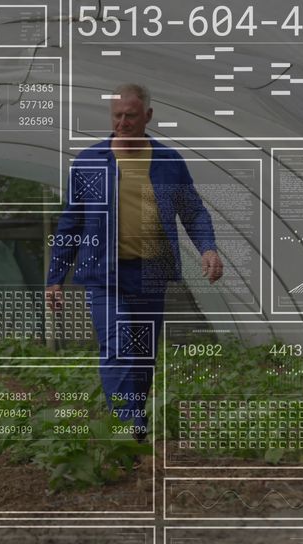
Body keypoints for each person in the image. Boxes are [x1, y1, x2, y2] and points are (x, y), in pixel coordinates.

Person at [45, 83, 223, 442]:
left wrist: (208, 248)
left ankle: (134, 421)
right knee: (117, 344)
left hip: (150, 272)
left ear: (148, 116)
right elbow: (71, 223)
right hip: (104, 274)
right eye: (117, 116)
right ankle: (127, 427)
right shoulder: (90, 162)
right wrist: (55, 277)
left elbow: (193, 211)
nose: (123, 122)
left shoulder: (168, 162)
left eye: (130, 115)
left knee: (143, 356)